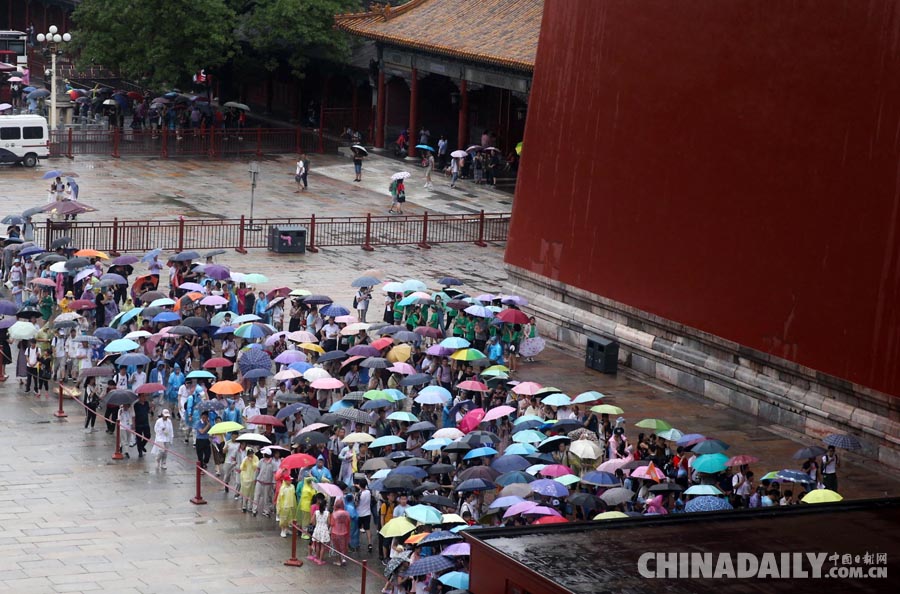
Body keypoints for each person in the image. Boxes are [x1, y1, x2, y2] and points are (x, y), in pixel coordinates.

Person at [253, 450, 277, 517]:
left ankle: (266, 511)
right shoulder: (261, 461)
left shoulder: (273, 463)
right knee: (256, 496)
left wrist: (274, 483)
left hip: (268, 483)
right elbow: (257, 470)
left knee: (266, 498)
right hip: (259, 481)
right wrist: (255, 478)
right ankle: (254, 510)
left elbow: (274, 474)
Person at [311, 494, 331, 566]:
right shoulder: (327, 513)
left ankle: (317, 557)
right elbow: (329, 523)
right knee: (322, 546)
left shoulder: (316, 512)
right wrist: (327, 528)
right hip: (324, 529)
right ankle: (320, 560)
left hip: (317, 528)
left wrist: (316, 525)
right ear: (325, 506)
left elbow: (312, 521)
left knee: (317, 544)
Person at [330, 497, 351, 566]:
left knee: (337, 548)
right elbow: (348, 522)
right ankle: (343, 558)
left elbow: (332, 524)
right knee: (343, 546)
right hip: (344, 532)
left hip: (335, 532)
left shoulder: (334, 514)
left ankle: (339, 560)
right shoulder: (347, 513)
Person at [240, 448, 259, 512]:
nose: (250, 456)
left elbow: (256, 466)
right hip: (245, 479)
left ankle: (250, 507)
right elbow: (241, 467)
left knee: (252, 494)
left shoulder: (256, 458)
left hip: (253, 479)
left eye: (251, 454)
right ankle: (244, 506)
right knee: (245, 494)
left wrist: (252, 461)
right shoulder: (245, 459)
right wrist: (245, 462)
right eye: (249, 455)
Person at [133, 392, 152, 458]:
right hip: (138, 424)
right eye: (143, 396)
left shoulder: (146, 403)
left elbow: (148, 411)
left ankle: (142, 446)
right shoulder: (136, 405)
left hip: (146, 423)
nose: (144, 398)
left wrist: (151, 408)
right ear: (139, 397)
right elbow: (134, 415)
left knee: (148, 436)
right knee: (139, 438)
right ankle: (140, 451)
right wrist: (133, 424)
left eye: (145, 396)